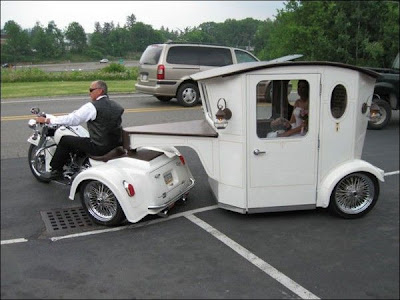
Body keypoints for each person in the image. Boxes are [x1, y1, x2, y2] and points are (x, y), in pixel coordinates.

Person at [36, 80, 124, 179]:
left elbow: (73, 119)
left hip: (99, 147)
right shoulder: (117, 106)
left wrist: (48, 120)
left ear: (100, 91)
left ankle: (56, 171)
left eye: (91, 90)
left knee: (65, 140)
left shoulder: (92, 107)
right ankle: (78, 162)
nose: (89, 93)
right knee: (81, 140)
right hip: (116, 145)